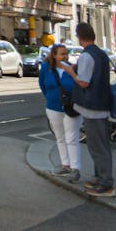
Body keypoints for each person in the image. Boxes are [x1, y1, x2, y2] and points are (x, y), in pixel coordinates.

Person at [61, 22, 116, 198]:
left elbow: (84, 82)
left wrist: (70, 72)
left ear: (79, 36)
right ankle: (99, 177)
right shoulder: (101, 53)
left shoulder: (86, 56)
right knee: (99, 145)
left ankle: (106, 183)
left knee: (98, 146)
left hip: (93, 107)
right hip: (100, 104)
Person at [38, 43, 82, 182]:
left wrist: (71, 72)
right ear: (54, 55)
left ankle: (75, 168)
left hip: (72, 108)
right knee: (60, 137)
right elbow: (42, 85)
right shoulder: (46, 68)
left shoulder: (73, 68)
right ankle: (65, 165)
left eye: (66, 53)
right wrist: (51, 98)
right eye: (62, 54)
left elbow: (80, 84)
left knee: (72, 138)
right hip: (53, 107)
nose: (65, 56)